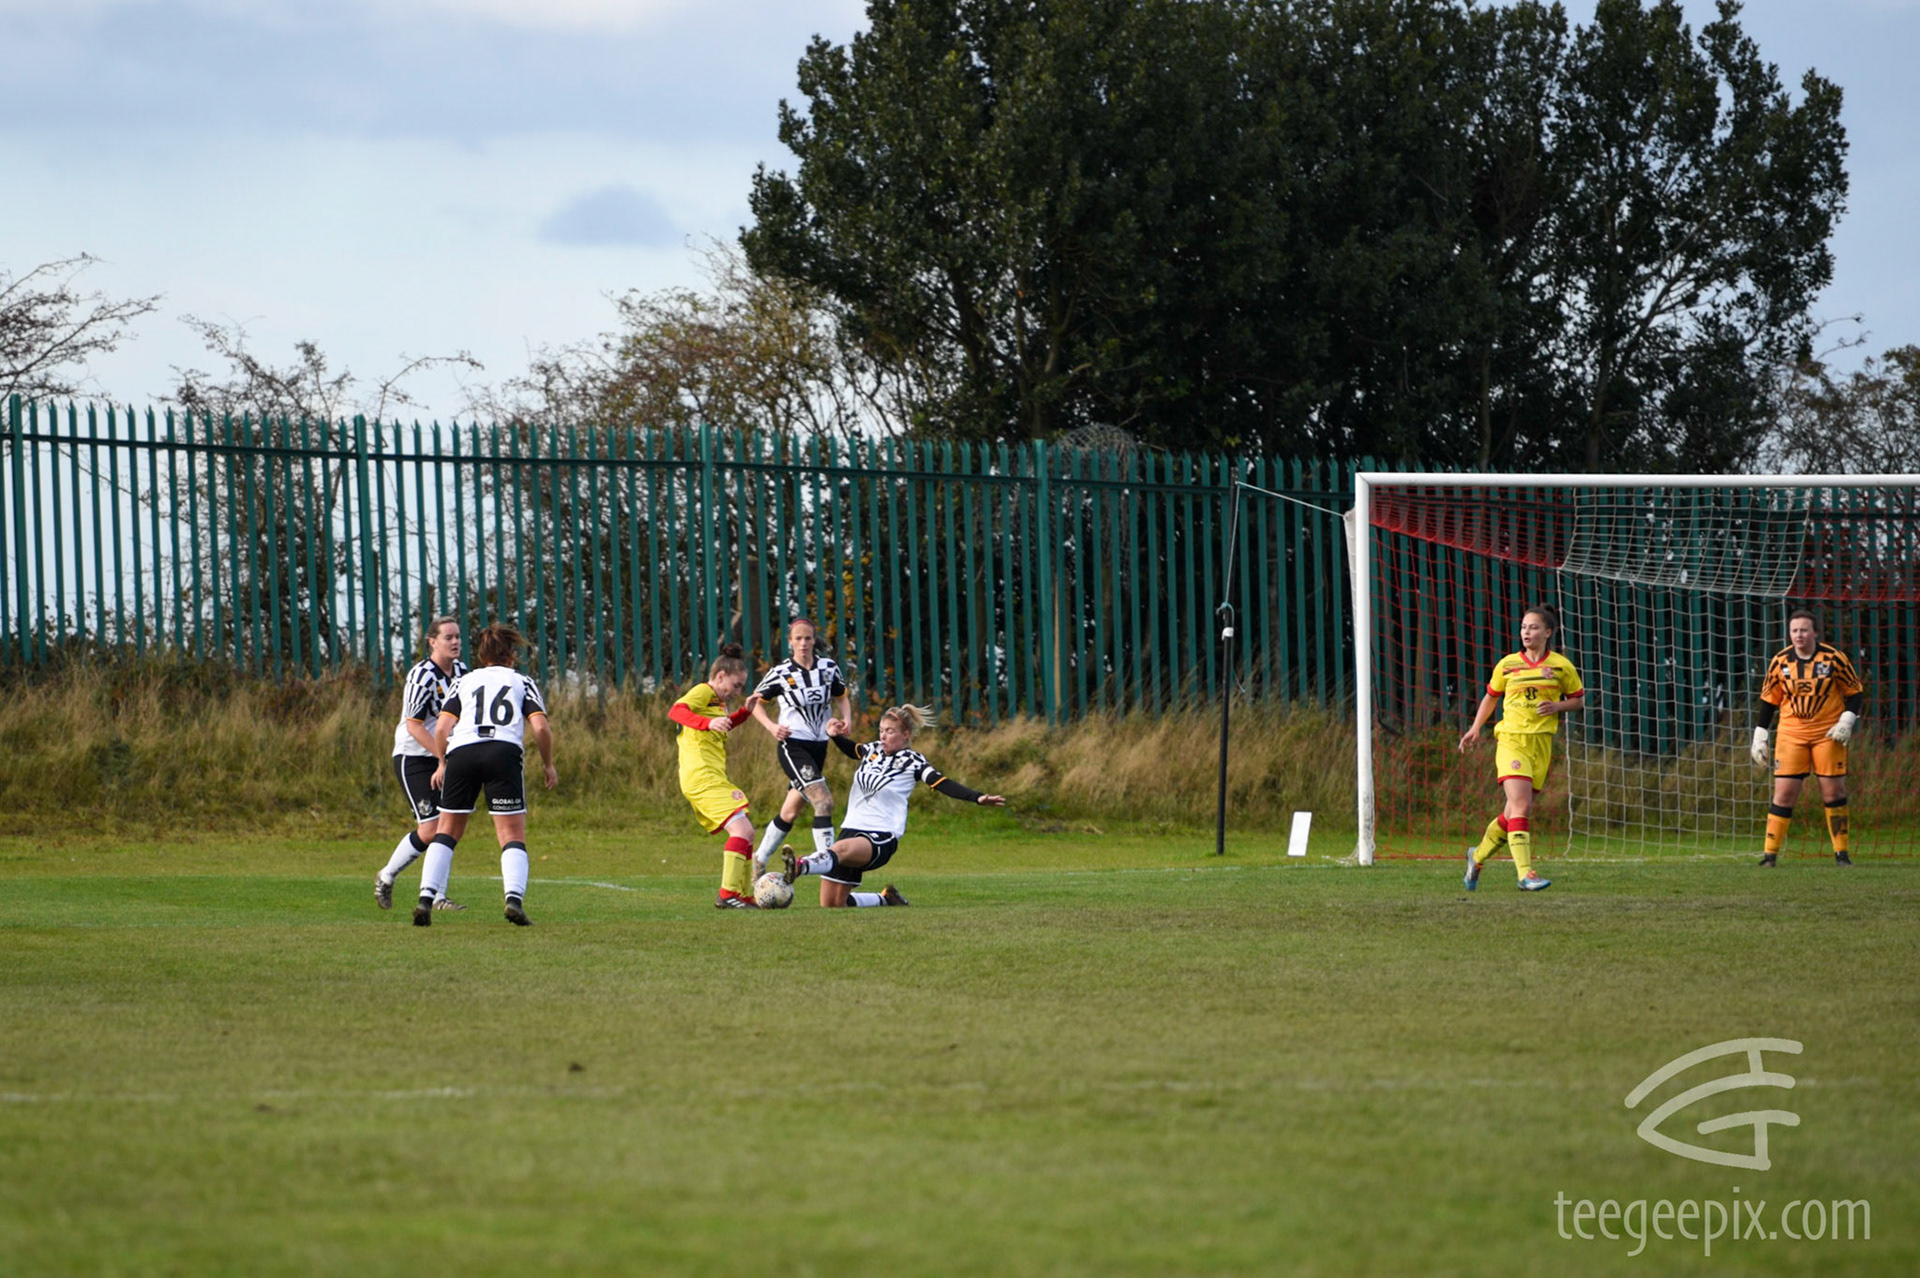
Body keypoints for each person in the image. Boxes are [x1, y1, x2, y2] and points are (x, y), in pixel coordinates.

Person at [782, 704, 1005, 907]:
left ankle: (800, 866)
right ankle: (885, 898)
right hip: (851, 827)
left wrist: (977, 797)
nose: (883, 736)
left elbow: (942, 783)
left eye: (890, 731)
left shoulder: (913, 761)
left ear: (905, 734)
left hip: (880, 834)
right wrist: (835, 736)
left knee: (838, 850)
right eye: (881, 730)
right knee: (832, 904)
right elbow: (853, 749)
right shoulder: (872, 750)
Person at [415, 623, 557, 927]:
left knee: (447, 830)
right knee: (510, 835)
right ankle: (513, 901)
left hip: (462, 752)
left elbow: (441, 728)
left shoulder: (463, 681)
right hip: (502, 752)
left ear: (481, 655)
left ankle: (425, 899)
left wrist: (442, 762)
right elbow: (541, 727)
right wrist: (548, 764)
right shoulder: (522, 681)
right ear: (511, 654)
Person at [1457, 604, 1586, 892]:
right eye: (1524, 627)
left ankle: (1476, 857)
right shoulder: (1508, 665)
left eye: (1534, 627)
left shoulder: (1561, 667)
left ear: (1548, 632)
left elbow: (1578, 700)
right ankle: (1526, 873)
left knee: (1512, 814)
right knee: (1522, 805)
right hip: (1512, 740)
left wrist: (1557, 705)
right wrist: (1476, 728)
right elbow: (1491, 697)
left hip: (1541, 745)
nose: (1527, 632)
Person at [1751, 611, 1863, 866]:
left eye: (1803, 630)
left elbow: (1855, 693)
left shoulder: (1834, 658)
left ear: (1814, 633)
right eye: (1794, 631)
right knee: (1784, 794)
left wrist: (1846, 721)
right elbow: (1769, 701)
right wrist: (1760, 736)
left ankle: (1842, 855)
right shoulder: (1780, 661)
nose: (1799, 635)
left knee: (1833, 791)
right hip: (1792, 734)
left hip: (1828, 734)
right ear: (1789, 634)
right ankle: (1770, 856)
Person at [375, 616, 469, 912]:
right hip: (414, 757)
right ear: (432, 642)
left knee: (450, 825)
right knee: (430, 829)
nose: (455, 642)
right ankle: (386, 876)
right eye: (448, 637)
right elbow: (414, 725)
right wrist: (442, 758)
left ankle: (438, 896)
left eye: (457, 637)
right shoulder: (422, 675)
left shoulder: (464, 672)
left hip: (445, 757)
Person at [748, 616, 852, 876]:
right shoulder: (781, 672)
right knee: (824, 802)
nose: (803, 643)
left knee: (790, 811)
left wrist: (846, 720)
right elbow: (754, 705)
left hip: (819, 747)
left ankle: (759, 860)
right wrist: (772, 727)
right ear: (790, 642)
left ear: (814, 640)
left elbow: (841, 697)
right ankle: (828, 867)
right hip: (792, 746)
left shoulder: (828, 668)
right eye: (798, 639)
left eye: (808, 638)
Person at [669, 644, 766, 908]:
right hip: (701, 776)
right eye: (736, 685)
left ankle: (744, 894)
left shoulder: (717, 704)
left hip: (712, 776)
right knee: (742, 829)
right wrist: (708, 722)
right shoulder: (704, 691)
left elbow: (723, 726)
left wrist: (744, 712)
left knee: (748, 832)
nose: (737, 691)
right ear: (720, 676)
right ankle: (727, 894)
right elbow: (676, 711)